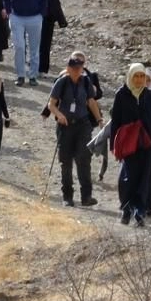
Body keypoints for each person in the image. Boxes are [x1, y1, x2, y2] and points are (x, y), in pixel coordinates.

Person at [109, 64, 151, 225]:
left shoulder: (150, 96)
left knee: (145, 178)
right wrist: (114, 144)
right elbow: (116, 122)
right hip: (128, 144)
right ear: (130, 77)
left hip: (147, 144)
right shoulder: (121, 95)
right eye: (136, 76)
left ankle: (140, 212)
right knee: (128, 178)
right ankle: (126, 209)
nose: (139, 80)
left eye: (142, 76)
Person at [48, 54, 103, 207]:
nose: (77, 71)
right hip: (65, 126)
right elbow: (51, 104)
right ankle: (67, 196)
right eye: (74, 68)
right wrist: (59, 115)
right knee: (65, 161)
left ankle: (86, 196)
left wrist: (99, 119)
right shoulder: (62, 82)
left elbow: (91, 102)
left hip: (83, 124)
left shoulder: (86, 82)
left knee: (84, 159)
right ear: (68, 68)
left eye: (79, 68)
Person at [2, 0, 46, 86]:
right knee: (19, 47)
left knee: (34, 48)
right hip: (17, 17)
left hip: (34, 17)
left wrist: (41, 14)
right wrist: (9, 11)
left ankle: (33, 75)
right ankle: (20, 75)